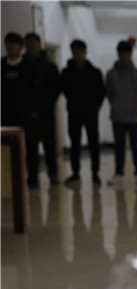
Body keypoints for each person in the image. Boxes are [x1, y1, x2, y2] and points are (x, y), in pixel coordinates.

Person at [60, 39, 106, 187]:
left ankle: (95, 173)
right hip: (74, 112)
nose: (77, 54)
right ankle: (75, 173)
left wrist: (95, 106)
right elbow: (64, 90)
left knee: (94, 143)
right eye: (74, 51)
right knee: (75, 143)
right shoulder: (66, 72)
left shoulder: (95, 72)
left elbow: (101, 92)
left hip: (91, 112)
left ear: (85, 52)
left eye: (80, 51)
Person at [19, 32, 61, 188]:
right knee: (31, 147)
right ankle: (32, 177)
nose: (31, 46)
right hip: (28, 114)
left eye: (33, 43)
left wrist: (46, 104)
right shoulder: (22, 66)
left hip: (46, 113)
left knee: (50, 145)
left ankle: (53, 173)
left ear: (39, 44)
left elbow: (56, 88)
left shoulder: (49, 66)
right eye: (28, 43)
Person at [106, 40, 137, 187]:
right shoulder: (111, 74)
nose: (124, 57)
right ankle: (119, 173)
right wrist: (117, 106)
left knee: (136, 145)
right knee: (119, 146)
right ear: (118, 54)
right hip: (117, 116)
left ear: (131, 54)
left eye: (127, 54)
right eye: (121, 54)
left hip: (134, 116)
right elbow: (109, 94)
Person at [1, 31, 25, 127]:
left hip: (23, 111)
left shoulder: (27, 65)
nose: (10, 47)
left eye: (14, 44)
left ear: (21, 47)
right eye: (7, 44)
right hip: (4, 111)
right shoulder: (2, 64)